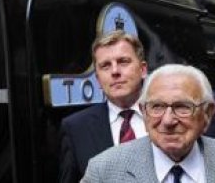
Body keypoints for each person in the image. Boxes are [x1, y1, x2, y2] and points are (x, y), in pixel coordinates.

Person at [81, 64, 215, 182]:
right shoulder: (103, 172)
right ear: (143, 112)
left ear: (207, 113)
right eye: (157, 107)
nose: (168, 121)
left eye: (182, 107)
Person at [58, 30, 148, 182]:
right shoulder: (76, 128)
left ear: (143, 69)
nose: (115, 71)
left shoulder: (168, 116)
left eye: (123, 62)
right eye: (105, 66)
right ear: (98, 79)